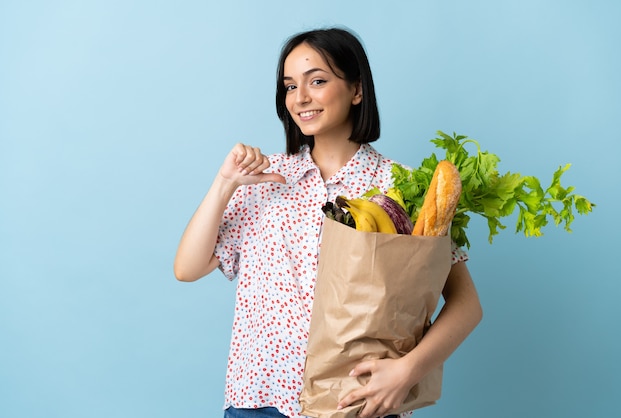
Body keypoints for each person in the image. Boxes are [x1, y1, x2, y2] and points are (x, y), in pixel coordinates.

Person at [174, 27, 482, 418]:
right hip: (258, 401)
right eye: (289, 86)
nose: (300, 98)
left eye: (317, 81)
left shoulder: (400, 185)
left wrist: (407, 371)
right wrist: (224, 183)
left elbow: (467, 304)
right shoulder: (263, 179)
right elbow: (187, 268)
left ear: (356, 90)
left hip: (355, 403)